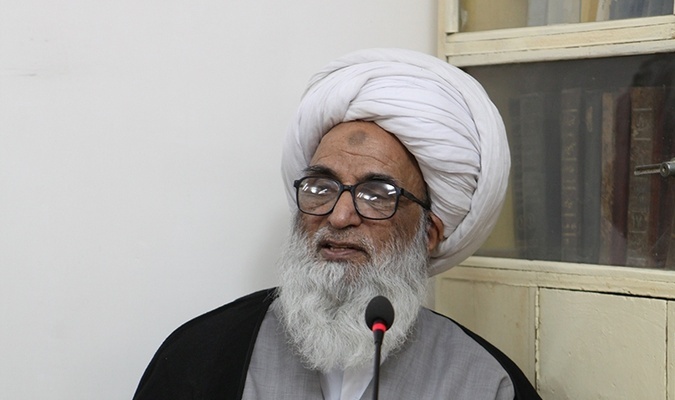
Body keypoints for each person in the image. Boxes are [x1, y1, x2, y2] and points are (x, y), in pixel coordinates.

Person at [132, 48, 541, 400]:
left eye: (377, 194)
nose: (339, 216)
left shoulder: (487, 383)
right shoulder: (202, 356)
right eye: (321, 187)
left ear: (428, 234)